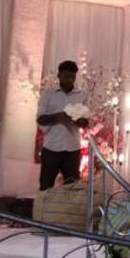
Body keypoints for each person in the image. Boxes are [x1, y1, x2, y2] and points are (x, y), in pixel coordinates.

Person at [36, 60, 90, 191]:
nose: (69, 80)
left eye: (72, 77)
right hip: (51, 147)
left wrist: (74, 118)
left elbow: (86, 123)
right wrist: (60, 116)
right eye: (66, 77)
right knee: (46, 186)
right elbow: (40, 119)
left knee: (72, 188)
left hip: (72, 148)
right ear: (59, 75)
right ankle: (43, 211)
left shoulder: (82, 95)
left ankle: (67, 211)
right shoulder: (48, 94)